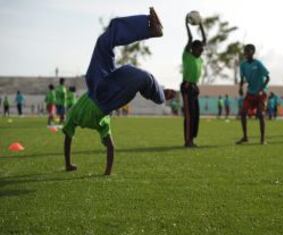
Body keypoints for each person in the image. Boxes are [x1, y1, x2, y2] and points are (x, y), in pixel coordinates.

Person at [62, 8, 175, 175]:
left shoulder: (73, 115)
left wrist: (68, 164)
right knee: (139, 76)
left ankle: (150, 28)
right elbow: (110, 147)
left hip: (97, 84)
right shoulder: (103, 122)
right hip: (107, 97)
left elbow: (68, 139)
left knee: (105, 39)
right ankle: (160, 94)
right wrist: (107, 171)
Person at [181, 13, 206, 148]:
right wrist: (186, 25)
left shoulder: (199, 58)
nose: (202, 50)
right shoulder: (187, 55)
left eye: (202, 48)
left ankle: (192, 139)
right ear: (193, 49)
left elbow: (204, 39)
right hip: (186, 86)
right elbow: (190, 38)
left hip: (194, 87)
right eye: (200, 48)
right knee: (189, 115)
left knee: (196, 115)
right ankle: (187, 141)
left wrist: (201, 24)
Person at [237, 44, 270, 145]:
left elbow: (268, 77)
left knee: (260, 114)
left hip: (261, 93)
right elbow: (242, 79)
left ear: (253, 52)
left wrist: (261, 89)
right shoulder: (243, 65)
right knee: (243, 113)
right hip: (250, 93)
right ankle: (245, 137)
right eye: (245, 51)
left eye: (249, 51)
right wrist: (241, 88)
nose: (246, 53)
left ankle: (263, 139)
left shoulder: (258, 64)